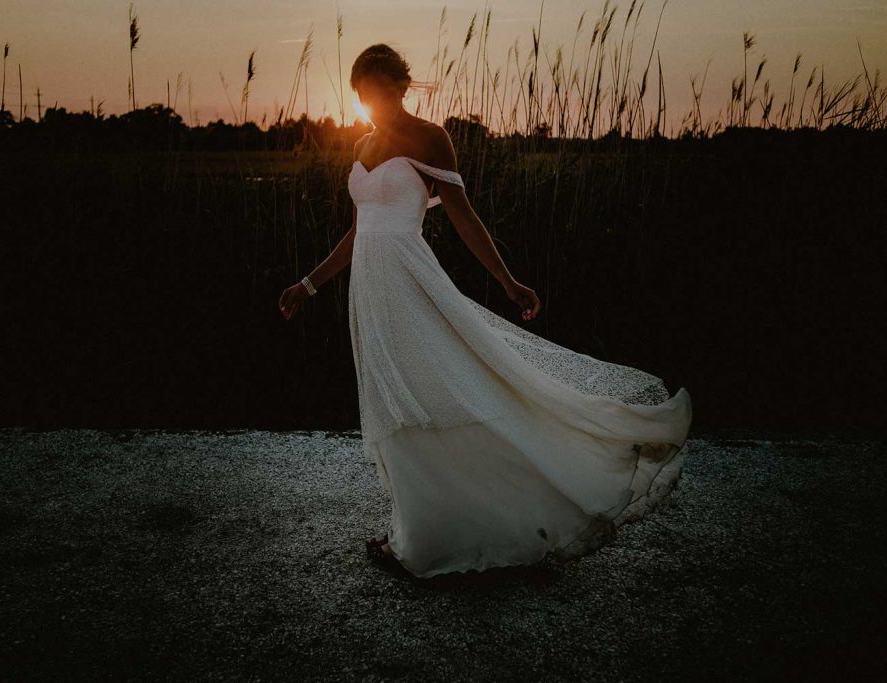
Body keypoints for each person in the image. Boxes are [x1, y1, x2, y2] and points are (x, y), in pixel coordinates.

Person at [278, 44, 692, 580]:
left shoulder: (430, 138)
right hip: (369, 293)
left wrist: (508, 281)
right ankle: (417, 527)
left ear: (401, 87)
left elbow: (464, 218)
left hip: (409, 282)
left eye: (380, 88)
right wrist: (309, 283)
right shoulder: (362, 142)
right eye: (362, 90)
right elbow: (361, 231)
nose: (370, 98)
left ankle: (432, 539)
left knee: (433, 391)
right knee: (393, 403)